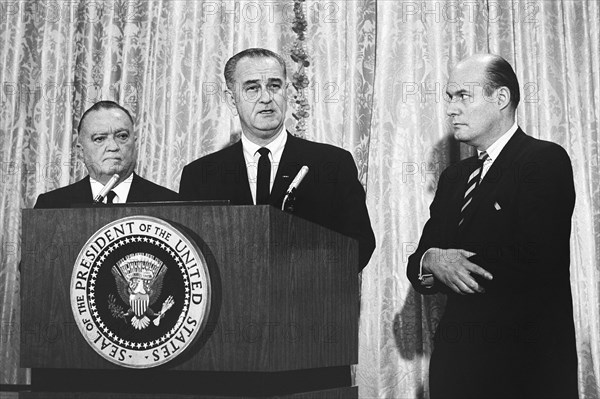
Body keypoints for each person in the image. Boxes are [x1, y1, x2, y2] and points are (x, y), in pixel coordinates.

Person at [407, 54, 578, 398]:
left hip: (523, 371)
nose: (451, 109)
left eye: (463, 96)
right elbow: (418, 264)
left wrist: (452, 262)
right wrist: (432, 260)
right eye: (449, 98)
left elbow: (535, 260)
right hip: (456, 371)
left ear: (500, 98)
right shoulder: (454, 178)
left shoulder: (543, 161)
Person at [179, 48, 375, 270]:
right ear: (232, 100)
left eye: (274, 86)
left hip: (311, 300)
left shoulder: (332, 164)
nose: (266, 98)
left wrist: (299, 272)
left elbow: (360, 245)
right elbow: (191, 256)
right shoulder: (200, 175)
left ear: (287, 92)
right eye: (252, 88)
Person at [34, 101, 178, 208]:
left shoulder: (171, 204)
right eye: (99, 139)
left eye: (122, 136)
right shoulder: (51, 205)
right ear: (80, 152)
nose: (113, 147)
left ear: (135, 144)